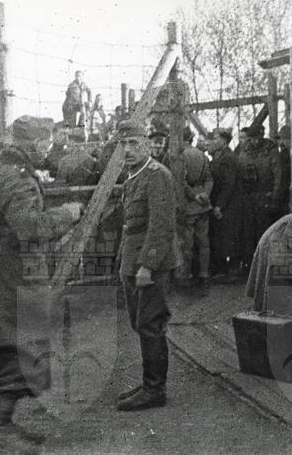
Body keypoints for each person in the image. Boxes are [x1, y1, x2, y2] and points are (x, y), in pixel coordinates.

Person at [0, 116, 83, 451]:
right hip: (15, 270)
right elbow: (30, 228)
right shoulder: (18, 178)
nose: (47, 148)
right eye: (44, 142)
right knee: (19, 342)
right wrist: (68, 214)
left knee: (1, 340)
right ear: (32, 143)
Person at [116, 120, 180, 411]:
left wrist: (147, 266)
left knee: (151, 325)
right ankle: (148, 383)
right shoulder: (134, 175)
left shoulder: (157, 175)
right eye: (123, 144)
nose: (128, 150)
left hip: (150, 263)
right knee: (141, 324)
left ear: (146, 144)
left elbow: (162, 225)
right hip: (134, 259)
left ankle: (155, 390)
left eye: (134, 143)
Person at [237, 124, 283, 269]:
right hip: (248, 197)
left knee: (263, 231)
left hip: (265, 196)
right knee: (248, 231)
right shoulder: (244, 151)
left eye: (258, 138)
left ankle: (264, 264)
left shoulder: (270, 150)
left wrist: (275, 196)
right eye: (252, 138)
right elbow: (239, 172)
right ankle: (249, 263)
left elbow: (278, 174)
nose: (255, 141)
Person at [179, 127, 213, 288]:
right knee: (204, 242)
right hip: (203, 205)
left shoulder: (179, 157)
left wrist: (194, 196)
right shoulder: (201, 155)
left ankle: (185, 275)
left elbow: (181, 182)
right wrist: (205, 194)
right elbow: (209, 178)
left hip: (188, 204)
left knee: (187, 243)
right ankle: (204, 274)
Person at [207, 128, 240, 276]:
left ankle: (231, 270)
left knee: (228, 236)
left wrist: (220, 205)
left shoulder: (228, 158)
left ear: (224, 142)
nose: (214, 141)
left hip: (228, 203)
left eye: (216, 139)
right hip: (222, 200)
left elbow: (229, 184)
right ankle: (223, 269)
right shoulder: (220, 157)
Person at [276, 124, 291, 218]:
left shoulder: (288, 155)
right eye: (280, 139)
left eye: (284, 139)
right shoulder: (282, 154)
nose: (281, 142)